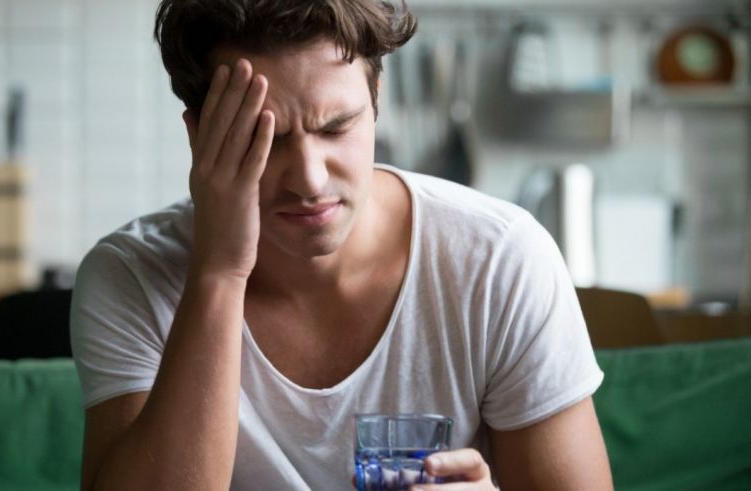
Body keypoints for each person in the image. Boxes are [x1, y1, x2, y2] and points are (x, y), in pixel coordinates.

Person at [70, 1, 614, 489]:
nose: (308, 179)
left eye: (336, 128)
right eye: (268, 138)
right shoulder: (131, 275)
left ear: (376, 97)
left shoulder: (500, 259)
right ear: (199, 136)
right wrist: (219, 271)